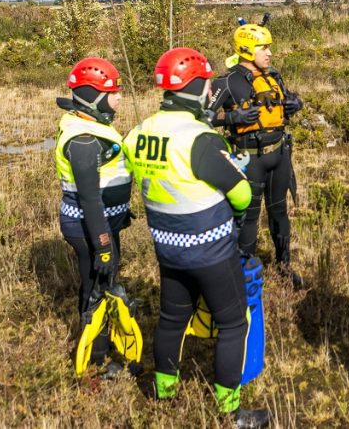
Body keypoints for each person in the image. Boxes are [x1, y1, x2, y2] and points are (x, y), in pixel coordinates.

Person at [123, 47, 268, 428]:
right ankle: (230, 410)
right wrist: (235, 199)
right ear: (196, 87)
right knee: (234, 324)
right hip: (211, 250)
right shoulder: (200, 139)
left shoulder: (137, 133)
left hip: (167, 249)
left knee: (172, 319)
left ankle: (163, 391)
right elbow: (241, 194)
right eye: (206, 85)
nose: (209, 91)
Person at [209, 21, 305, 289]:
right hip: (249, 158)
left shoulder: (273, 75)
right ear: (247, 49)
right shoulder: (226, 82)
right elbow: (201, 117)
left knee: (279, 211)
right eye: (264, 48)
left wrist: (296, 103)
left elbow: (287, 99)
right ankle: (244, 272)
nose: (270, 53)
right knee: (248, 217)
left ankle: (284, 265)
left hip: (279, 154)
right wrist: (231, 117)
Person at [55, 57, 132, 373]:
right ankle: (96, 358)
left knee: (106, 280)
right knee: (94, 285)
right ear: (94, 96)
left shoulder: (94, 125)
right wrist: (102, 245)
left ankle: (105, 345)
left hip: (101, 224)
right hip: (88, 227)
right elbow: (88, 198)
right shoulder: (83, 139)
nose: (119, 98)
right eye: (113, 92)